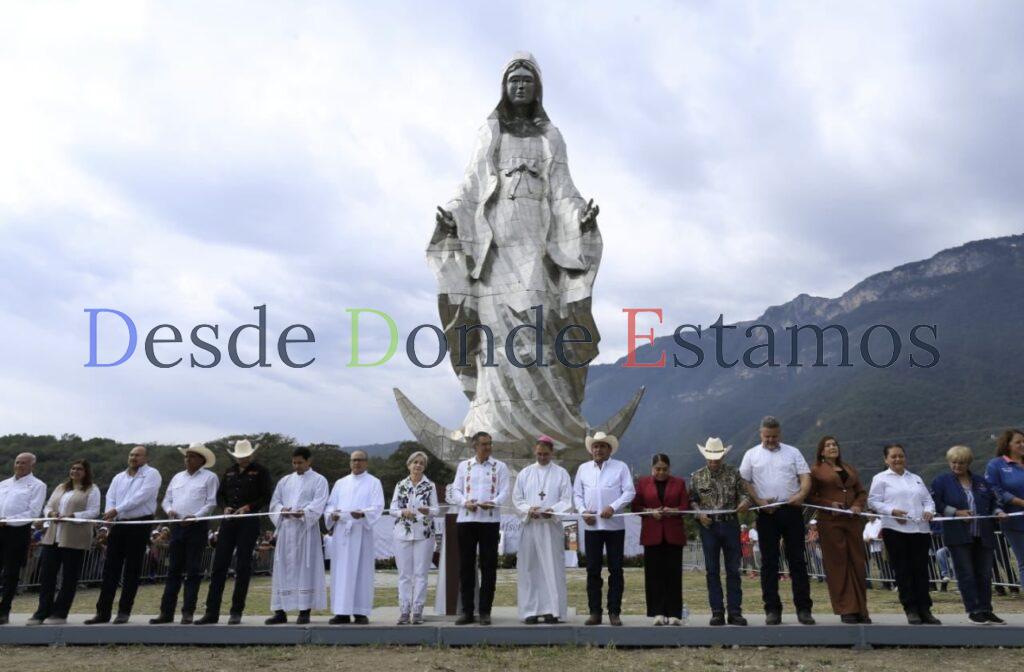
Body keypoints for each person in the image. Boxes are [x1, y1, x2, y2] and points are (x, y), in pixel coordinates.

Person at [429, 52, 602, 447]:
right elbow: (471, 185)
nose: (520, 85)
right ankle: (493, 421)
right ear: (504, 87)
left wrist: (580, 217)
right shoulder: (491, 133)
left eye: (527, 79)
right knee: (493, 333)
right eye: (514, 80)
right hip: (496, 248)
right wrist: (453, 215)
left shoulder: (550, 137)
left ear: (537, 87)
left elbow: (563, 190)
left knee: (540, 324)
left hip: (537, 245)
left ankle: (553, 423)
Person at [739, 416, 815, 625]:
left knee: (797, 560)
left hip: (792, 510)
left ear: (780, 434)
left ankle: (804, 609)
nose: (771, 440)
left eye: (774, 436)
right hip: (766, 514)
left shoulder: (793, 452)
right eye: (767, 436)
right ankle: (772, 609)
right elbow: (744, 481)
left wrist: (801, 495)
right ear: (760, 434)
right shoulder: (751, 454)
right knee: (769, 562)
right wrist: (759, 501)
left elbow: (805, 477)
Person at [196, 439, 274, 625]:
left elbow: (266, 496)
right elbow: (220, 495)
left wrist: (249, 507)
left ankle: (236, 611)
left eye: (245, 456)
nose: (242, 459)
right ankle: (211, 612)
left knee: (243, 566)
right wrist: (225, 507)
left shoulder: (261, 471)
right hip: (229, 521)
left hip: (248, 521)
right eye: (239, 457)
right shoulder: (229, 471)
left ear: (251, 455)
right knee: (219, 565)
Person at [86, 445, 162, 625]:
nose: (133, 457)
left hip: (139, 523)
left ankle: (124, 611)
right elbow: (110, 497)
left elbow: (141, 497)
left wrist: (117, 510)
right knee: (110, 568)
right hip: (118, 524)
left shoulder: (152, 474)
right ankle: (102, 612)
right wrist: (110, 516)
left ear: (146, 458)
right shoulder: (119, 477)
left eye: (138, 455)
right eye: (131, 454)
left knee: (132, 569)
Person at [931, 445, 1006, 624]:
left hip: (983, 534)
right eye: (954, 462)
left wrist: (998, 512)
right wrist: (956, 512)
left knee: (985, 574)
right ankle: (974, 610)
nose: (957, 466)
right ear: (949, 462)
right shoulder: (941, 481)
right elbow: (935, 503)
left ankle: (986, 609)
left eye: (962, 462)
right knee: (966, 573)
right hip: (958, 536)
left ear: (968, 463)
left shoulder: (981, 482)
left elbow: (994, 502)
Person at [867, 443, 939, 625]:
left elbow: (928, 500)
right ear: (886, 459)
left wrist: (929, 511)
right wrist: (892, 511)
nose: (897, 459)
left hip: (920, 530)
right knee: (903, 570)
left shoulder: (915, 478)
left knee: (921, 571)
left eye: (900, 455)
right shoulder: (880, 478)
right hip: (895, 530)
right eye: (893, 456)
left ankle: (925, 609)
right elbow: (873, 502)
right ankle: (911, 608)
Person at [150, 443, 219, 624]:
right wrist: (170, 510)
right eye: (187, 456)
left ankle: (188, 612)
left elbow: (211, 503)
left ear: (202, 460)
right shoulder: (177, 477)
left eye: (192, 456)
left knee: (193, 570)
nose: (188, 459)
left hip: (197, 526)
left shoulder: (210, 477)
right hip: (177, 526)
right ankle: (166, 612)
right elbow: (167, 500)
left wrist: (196, 517)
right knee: (173, 569)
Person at [27, 459, 100, 625]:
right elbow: (48, 506)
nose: (75, 471)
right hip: (52, 536)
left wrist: (73, 516)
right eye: (73, 468)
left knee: (69, 577)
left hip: (74, 537)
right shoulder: (61, 487)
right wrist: (51, 513)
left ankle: (60, 613)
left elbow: (93, 511)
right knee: (47, 576)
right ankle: (42, 611)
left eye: (79, 469)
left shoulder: (92, 489)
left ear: (86, 472)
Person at [573, 431, 635, 626]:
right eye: (595, 446)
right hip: (592, 527)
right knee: (593, 570)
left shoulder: (621, 467)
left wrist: (613, 507)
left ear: (609, 449)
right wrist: (583, 512)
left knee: (616, 570)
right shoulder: (583, 469)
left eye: (602, 446)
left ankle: (614, 612)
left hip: (614, 527)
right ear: (591, 449)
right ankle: (595, 612)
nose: (598, 449)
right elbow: (577, 495)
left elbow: (629, 492)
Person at [448, 431, 510, 625]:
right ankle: (467, 611)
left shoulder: (500, 466)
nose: (488, 447)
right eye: (484, 444)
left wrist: (493, 502)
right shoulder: (464, 466)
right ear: (474, 446)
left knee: (489, 566)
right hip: (467, 520)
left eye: (490, 444)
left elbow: (505, 491)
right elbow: (455, 490)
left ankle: (485, 611)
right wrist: (465, 502)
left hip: (489, 522)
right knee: (466, 566)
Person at [807, 436, 870, 624]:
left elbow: (861, 492)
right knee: (838, 564)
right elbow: (810, 496)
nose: (832, 447)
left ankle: (861, 609)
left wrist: (857, 505)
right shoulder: (815, 470)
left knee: (857, 562)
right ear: (821, 451)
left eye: (834, 444)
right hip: (830, 521)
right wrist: (829, 504)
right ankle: (847, 609)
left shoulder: (849, 468)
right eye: (828, 445)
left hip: (852, 521)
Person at [266, 447, 330, 625]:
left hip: (305, 532)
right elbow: (275, 503)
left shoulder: (319, 480)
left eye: (300, 462)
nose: (296, 466)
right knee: (282, 569)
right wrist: (282, 510)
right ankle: (280, 611)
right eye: (294, 463)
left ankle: (304, 610)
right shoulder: (285, 481)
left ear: (309, 461)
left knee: (305, 570)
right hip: (286, 531)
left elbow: (319, 502)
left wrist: (304, 512)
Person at [513, 436, 573, 624]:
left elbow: (567, 500)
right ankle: (530, 611)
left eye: (545, 454)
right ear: (535, 451)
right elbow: (517, 499)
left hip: (550, 528)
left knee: (552, 568)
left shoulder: (561, 473)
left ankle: (551, 610)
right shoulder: (525, 473)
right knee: (529, 568)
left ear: (552, 452)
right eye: (539, 454)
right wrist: (528, 510)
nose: (542, 457)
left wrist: (553, 510)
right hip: (531, 527)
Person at [690, 438, 750, 626]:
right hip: (709, 527)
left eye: (717, 458)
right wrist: (699, 514)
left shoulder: (734, 473)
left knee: (733, 569)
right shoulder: (696, 476)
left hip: (730, 523)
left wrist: (744, 502)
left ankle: (735, 612)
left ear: (723, 456)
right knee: (712, 570)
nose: (713, 461)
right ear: (705, 456)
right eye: (710, 458)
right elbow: (692, 500)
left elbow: (745, 494)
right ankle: (717, 612)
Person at [324, 450, 385, 625]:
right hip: (342, 533)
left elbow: (378, 506)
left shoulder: (374, 482)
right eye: (353, 460)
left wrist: (363, 513)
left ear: (366, 462)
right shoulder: (340, 483)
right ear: (350, 462)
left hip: (361, 532)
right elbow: (330, 505)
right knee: (341, 572)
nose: (356, 463)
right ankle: (341, 612)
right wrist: (332, 515)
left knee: (361, 572)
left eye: (359, 460)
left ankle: (360, 612)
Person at [632, 454, 688, 625]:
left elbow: (685, 506)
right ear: (652, 468)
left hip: (673, 535)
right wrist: (650, 511)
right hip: (652, 535)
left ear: (669, 468)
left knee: (674, 574)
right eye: (658, 469)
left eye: (665, 469)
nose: (661, 472)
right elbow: (635, 506)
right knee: (654, 575)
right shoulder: (643, 483)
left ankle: (674, 614)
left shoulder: (679, 483)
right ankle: (657, 612)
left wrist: (674, 510)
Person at [389, 450, 440, 625]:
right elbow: (392, 509)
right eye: (415, 462)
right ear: (409, 465)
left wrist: (428, 511)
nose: (418, 465)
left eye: (421, 463)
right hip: (402, 533)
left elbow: (436, 510)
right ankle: (404, 610)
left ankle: (417, 610)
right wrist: (402, 512)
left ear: (424, 467)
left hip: (424, 533)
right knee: (404, 574)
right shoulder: (400, 485)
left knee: (421, 573)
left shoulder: (430, 486)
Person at [0, 452, 47, 625]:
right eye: (17, 462)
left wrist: (7, 520)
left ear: (32, 465)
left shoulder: (38, 485)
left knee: (10, 573)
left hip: (17, 531)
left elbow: (33, 512)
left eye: (24, 463)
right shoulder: (4, 484)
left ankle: (4, 611)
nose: (19, 465)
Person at [985, 428, 1024, 590]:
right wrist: (1020, 502)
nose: (1022, 444)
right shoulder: (996, 465)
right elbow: (994, 489)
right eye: (1018, 442)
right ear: (1007, 445)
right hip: (1014, 521)